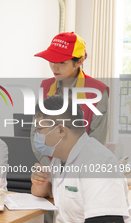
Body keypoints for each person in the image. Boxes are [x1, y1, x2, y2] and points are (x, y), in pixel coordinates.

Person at [31, 95, 131, 223]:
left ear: (61, 130)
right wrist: (41, 184)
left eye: (39, 129)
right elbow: (57, 194)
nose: (36, 136)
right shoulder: (60, 158)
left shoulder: (98, 162)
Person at [31, 31, 109, 166]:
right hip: (49, 170)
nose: (54, 66)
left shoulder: (97, 92)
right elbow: (36, 132)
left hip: (82, 169)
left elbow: (95, 141)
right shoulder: (45, 87)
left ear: (79, 61)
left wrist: (69, 171)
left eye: (61, 62)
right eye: (51, 60)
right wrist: (48, 166)